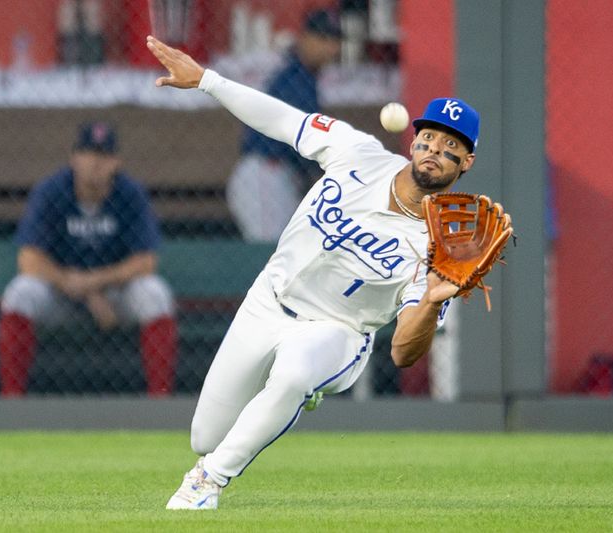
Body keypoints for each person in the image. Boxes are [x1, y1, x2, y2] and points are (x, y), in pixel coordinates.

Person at [146, 35, 479, 510]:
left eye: (451, 147)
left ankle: (207, 483)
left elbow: (405, 352)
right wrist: (208, 81)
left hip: (337, 330)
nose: (434, 150)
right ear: (415, 138)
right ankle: (288, 399)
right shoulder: (357, 152)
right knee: (205, 434)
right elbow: (283, 120)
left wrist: (430, 299)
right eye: (430, 137)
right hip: (269, 299)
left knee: (294, 374)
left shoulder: (439, 247)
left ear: (466, 163)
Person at [0, 122, 178, 396]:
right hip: (61, 293)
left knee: (155, 294)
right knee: (20, 292)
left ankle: (160, 400)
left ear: (116, 162)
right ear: (74, 158)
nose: (95, 163)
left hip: (115, 297)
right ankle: (11, 402)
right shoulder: (52, 190)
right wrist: (72, 285)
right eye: (88, 153)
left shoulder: (130, 193)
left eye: (104, 156)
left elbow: (146, 262)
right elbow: (28, 258)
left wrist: (92, 284)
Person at [226, 8, 342, 242]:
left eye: (334, 40)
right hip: (264, 177)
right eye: (322, 39)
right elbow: (302, 142)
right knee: (273, 252)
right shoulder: (294, 79)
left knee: (289, 250)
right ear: (305, 38)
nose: (330, 48)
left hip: (279, 178)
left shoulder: (303, 76)